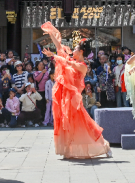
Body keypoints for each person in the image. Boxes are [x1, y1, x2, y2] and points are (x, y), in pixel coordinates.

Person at [41, 23, 111, 159]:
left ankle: (104, 145)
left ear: (81, 52)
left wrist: (53, 56)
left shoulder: (82, 66)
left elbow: (68, 63)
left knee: (83, 123)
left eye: (76, 49)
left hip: (73, 99)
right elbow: (59, 47)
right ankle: (68, 149)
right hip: (65, 96)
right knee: (65, 122)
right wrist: (51, 34)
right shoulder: (71, 59)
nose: (73, 50)